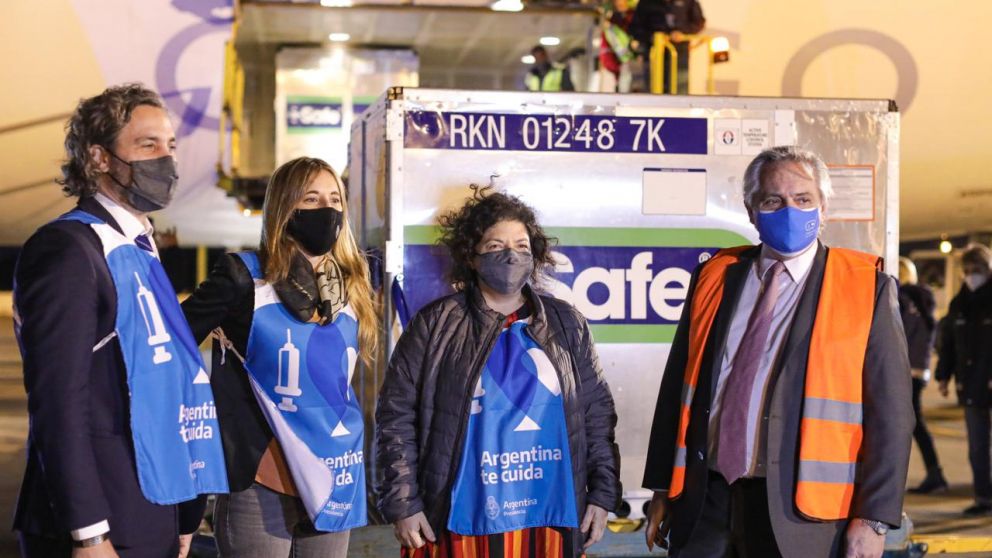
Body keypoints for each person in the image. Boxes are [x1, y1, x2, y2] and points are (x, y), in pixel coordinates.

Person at [642, 146, 913, 558]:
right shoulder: (715, 275)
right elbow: (678, 386)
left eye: (803, 200)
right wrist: (663, 488)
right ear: (751, 211)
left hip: (801, 514)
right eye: (773, 200)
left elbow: (892, 414)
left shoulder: (867, 288)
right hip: (705, 500)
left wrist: (874, 519)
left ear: (824, 208)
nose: (790, 210)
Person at [12, 84, 227, 557]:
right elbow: (58, 403)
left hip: (152, 505)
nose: (166, 161)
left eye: (170, 146)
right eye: (147, 145)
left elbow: (170, 386)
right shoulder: (69, 250)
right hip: (101, 521)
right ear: (100, 158)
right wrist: (88, 532)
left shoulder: (137, 248)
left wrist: (185, 513)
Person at [375, 186, 620, 557]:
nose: (510, 255)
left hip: (548, 518)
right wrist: (403, 504)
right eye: (494, 246)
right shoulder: (435, 324)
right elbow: (396, 418)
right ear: (471, 257)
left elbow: (596, 414)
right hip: (460, 523)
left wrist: (602, 494)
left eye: (522, 246)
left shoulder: (567, 323)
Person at [180, 157, 378, 556]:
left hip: (331, 479)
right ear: (285, 208)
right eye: (311, 198)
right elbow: (172, 351)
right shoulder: (244, 277)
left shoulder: (353, 284)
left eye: (335, 199)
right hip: (261, 484)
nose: (328, 209)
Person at [936, 244, 992, 515]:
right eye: (967, 271)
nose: (971, 276)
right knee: (977, 447)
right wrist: (943, 376)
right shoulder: (959, 304)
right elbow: (948, 344)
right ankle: (984, 498)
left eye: (976, 270)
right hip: (971, 385)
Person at [898, 257, 948, 494]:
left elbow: (899, 334)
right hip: (919, 368)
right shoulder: (924, 299)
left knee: (904, 424)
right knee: (915, 423)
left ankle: (933, 473)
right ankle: (934, 472)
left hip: (904, 368)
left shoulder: (902, 298)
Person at [629, 0, 705, 94]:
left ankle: (678, 107)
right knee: (652, 87)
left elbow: (699, 22)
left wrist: (682, 32)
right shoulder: (646, 3)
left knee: (679, 87)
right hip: (653, 54)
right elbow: (635, 28)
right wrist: (652, 37)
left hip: (679, 54)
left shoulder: (688, 2)